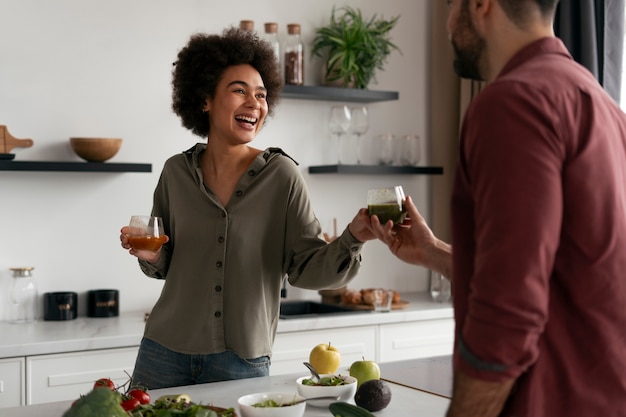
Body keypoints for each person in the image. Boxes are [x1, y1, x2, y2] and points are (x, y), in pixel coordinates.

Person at [371, 0, 626, 416]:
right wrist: (435, 251)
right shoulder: (602, 106)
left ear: (480, 5)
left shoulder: (513, 102)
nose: (448, 25)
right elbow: (563, 277)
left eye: (451, 7)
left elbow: (508, 314)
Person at [119, 27, 376, 389]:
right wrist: (148, 255)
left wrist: (354, 238)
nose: (255, 103)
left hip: (241, 359)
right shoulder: (175, 172)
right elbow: (166, 261)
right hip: (163, 350)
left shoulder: (282, 176)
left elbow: (306, 269)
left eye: (261, 94)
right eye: (239, 90)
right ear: (205, 99)